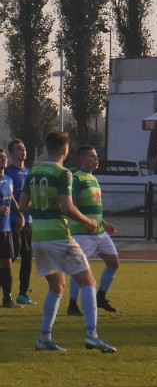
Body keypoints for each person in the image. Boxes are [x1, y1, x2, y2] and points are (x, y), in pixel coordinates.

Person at [18, 130, 115, 353]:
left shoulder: (33, 172)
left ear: (46, 147)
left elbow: (23, 206)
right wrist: (88, 221)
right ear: (65, 150)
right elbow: (68, 207)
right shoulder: (64, 174)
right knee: (89, 282)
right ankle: (92, 335)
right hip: (58, 236)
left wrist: (42, 209)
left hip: (38, 238)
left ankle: (44, 338)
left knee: (57, 285)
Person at [65, 145, 120, 316]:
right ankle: (72, 304)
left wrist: (104, 223)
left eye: (96, 156)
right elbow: (71, 205)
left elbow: (94, 207)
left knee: (113, 263)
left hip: (99, 232)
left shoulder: (93, 179)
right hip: (82, 233)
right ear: (82, 159)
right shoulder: (76, 178)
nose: (97, 159)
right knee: (79, 268)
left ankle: (101, 297)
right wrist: (85, 222)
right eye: (92, 156)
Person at [5, 138, 34, 305]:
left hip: (28, 220)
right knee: (12, 255)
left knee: (27, 257)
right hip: (13, 220)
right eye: (18, 149)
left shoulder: (30, 172)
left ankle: (23, 293)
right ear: (12, 154)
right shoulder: (8, 173)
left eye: (23, 148)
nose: (22, 151)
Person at [0, 147, 25, 308]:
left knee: (7, 263)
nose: (3, 159)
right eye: (0, 157)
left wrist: (21, 215)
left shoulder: (8, 179)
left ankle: (7, 299)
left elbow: (13, 200)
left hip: (5, 229)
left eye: (4, 157)